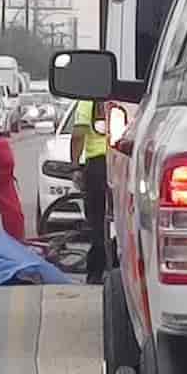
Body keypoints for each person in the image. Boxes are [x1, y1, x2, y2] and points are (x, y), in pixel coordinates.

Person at [70, 99, 110, 284]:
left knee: (97, 220)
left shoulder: (87, 100)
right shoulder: (125, 97)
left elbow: (78, 134)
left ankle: (96, 271)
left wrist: (75, 166)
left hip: (97, 165)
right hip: (124, 160)